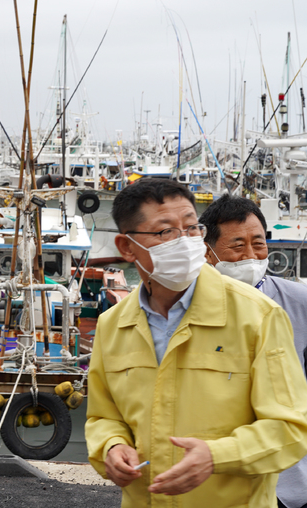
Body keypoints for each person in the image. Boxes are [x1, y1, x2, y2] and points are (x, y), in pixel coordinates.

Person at [85, 178, 307, 507]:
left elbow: (289, 430)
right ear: (127, 247)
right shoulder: (113, 325)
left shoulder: (258, 316)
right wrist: (111, 447)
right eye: (165, 232)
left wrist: (216, 456)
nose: (186, 241)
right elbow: (103, 417)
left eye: (191, 228)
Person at [200, 194, 307, 508]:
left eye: (258, 244)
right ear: (208, 251)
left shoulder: (298, 300)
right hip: (215, 476)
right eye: (237, 246)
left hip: (289, 478)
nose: (251, 256)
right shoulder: (186, 308)